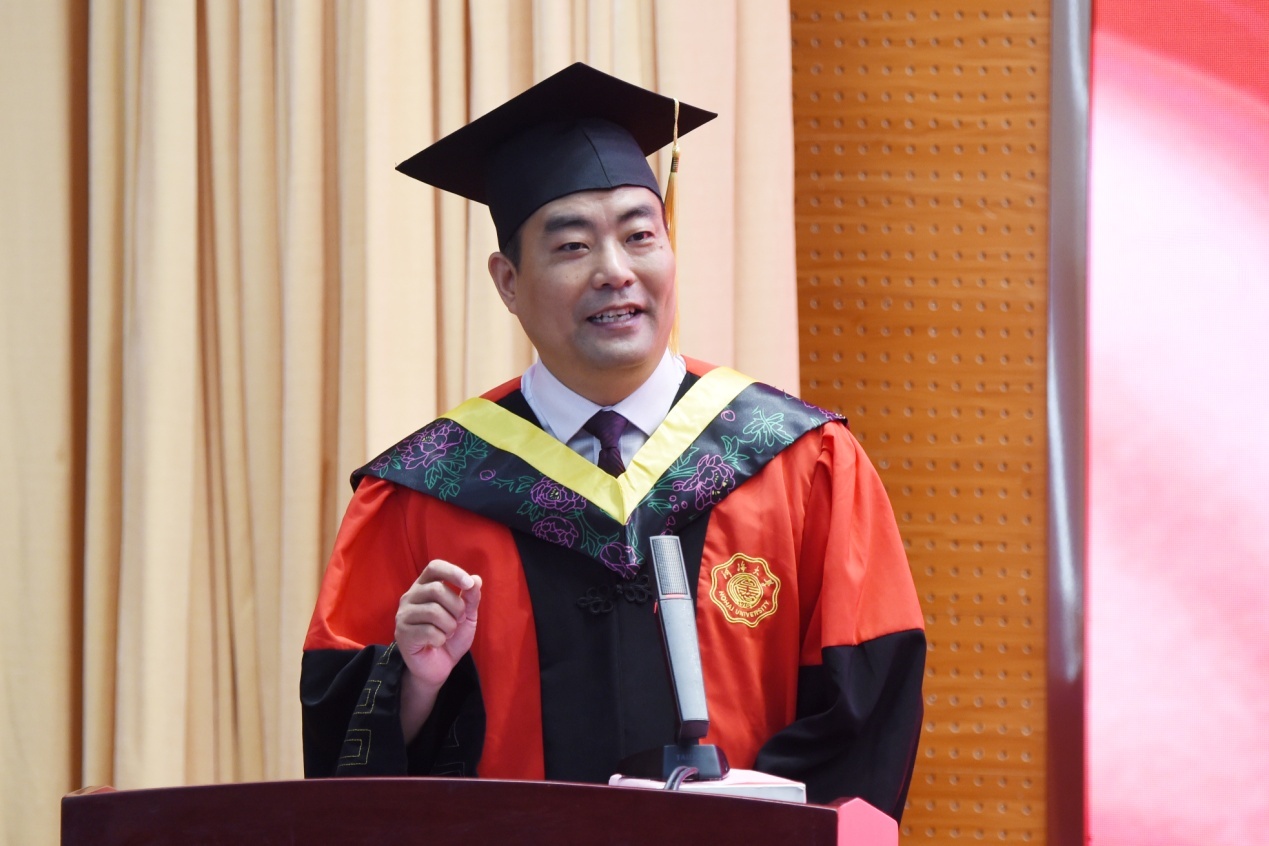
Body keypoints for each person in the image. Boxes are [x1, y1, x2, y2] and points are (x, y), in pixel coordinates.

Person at [300, 63, 926, 821]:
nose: (616, 272)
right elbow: (345, 764)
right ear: (507, 281)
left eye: (639, 236)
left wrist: (742, 832)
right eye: (572, 246)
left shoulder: (804, 462)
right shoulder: (421, 492)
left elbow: (867, 710)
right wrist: (414, 686)